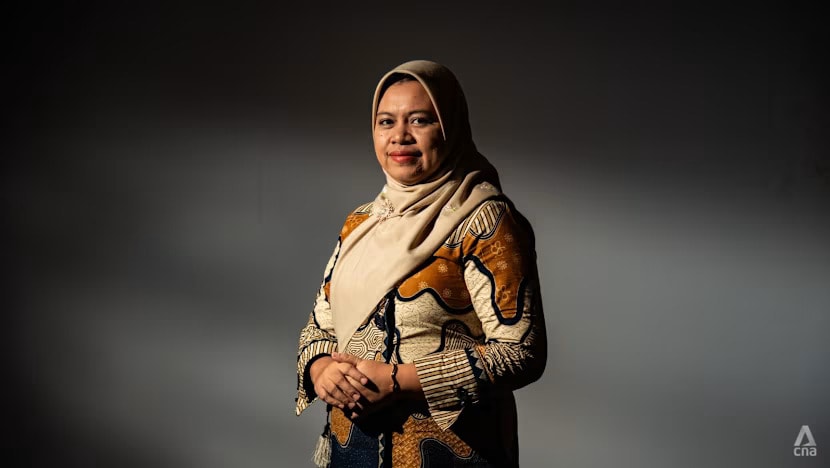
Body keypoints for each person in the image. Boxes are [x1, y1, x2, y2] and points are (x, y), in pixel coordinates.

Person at [295, 59, 547, 467]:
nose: (399, 136)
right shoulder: (362, 223)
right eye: (386, 122)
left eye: (420, 120)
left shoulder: (484, 220)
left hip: (450, 453)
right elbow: (318, 327)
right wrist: (321, 369)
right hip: (350, 449)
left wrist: (397, 381)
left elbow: (520, 352)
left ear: (449, 127)